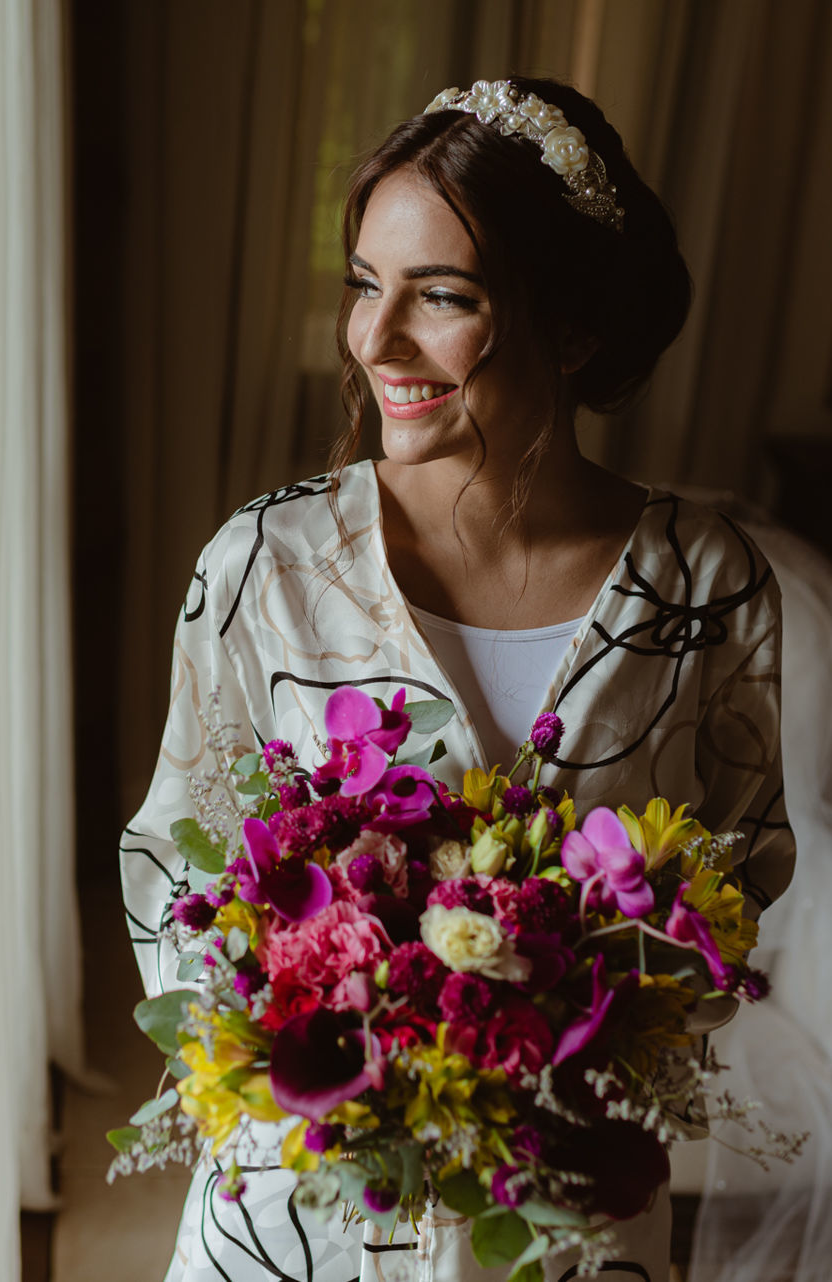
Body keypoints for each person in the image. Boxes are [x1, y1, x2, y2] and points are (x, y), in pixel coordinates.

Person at [121, 77, 796, 1281]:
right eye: (365, 286)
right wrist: (312, 1028)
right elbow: (177, 858)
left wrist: (565, 1018)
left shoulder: (707, 587)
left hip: (565, 1207)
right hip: (310, 1199)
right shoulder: (264, 566)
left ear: (572, 326)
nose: (376, 342)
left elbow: (739, 876)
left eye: (441, 297)